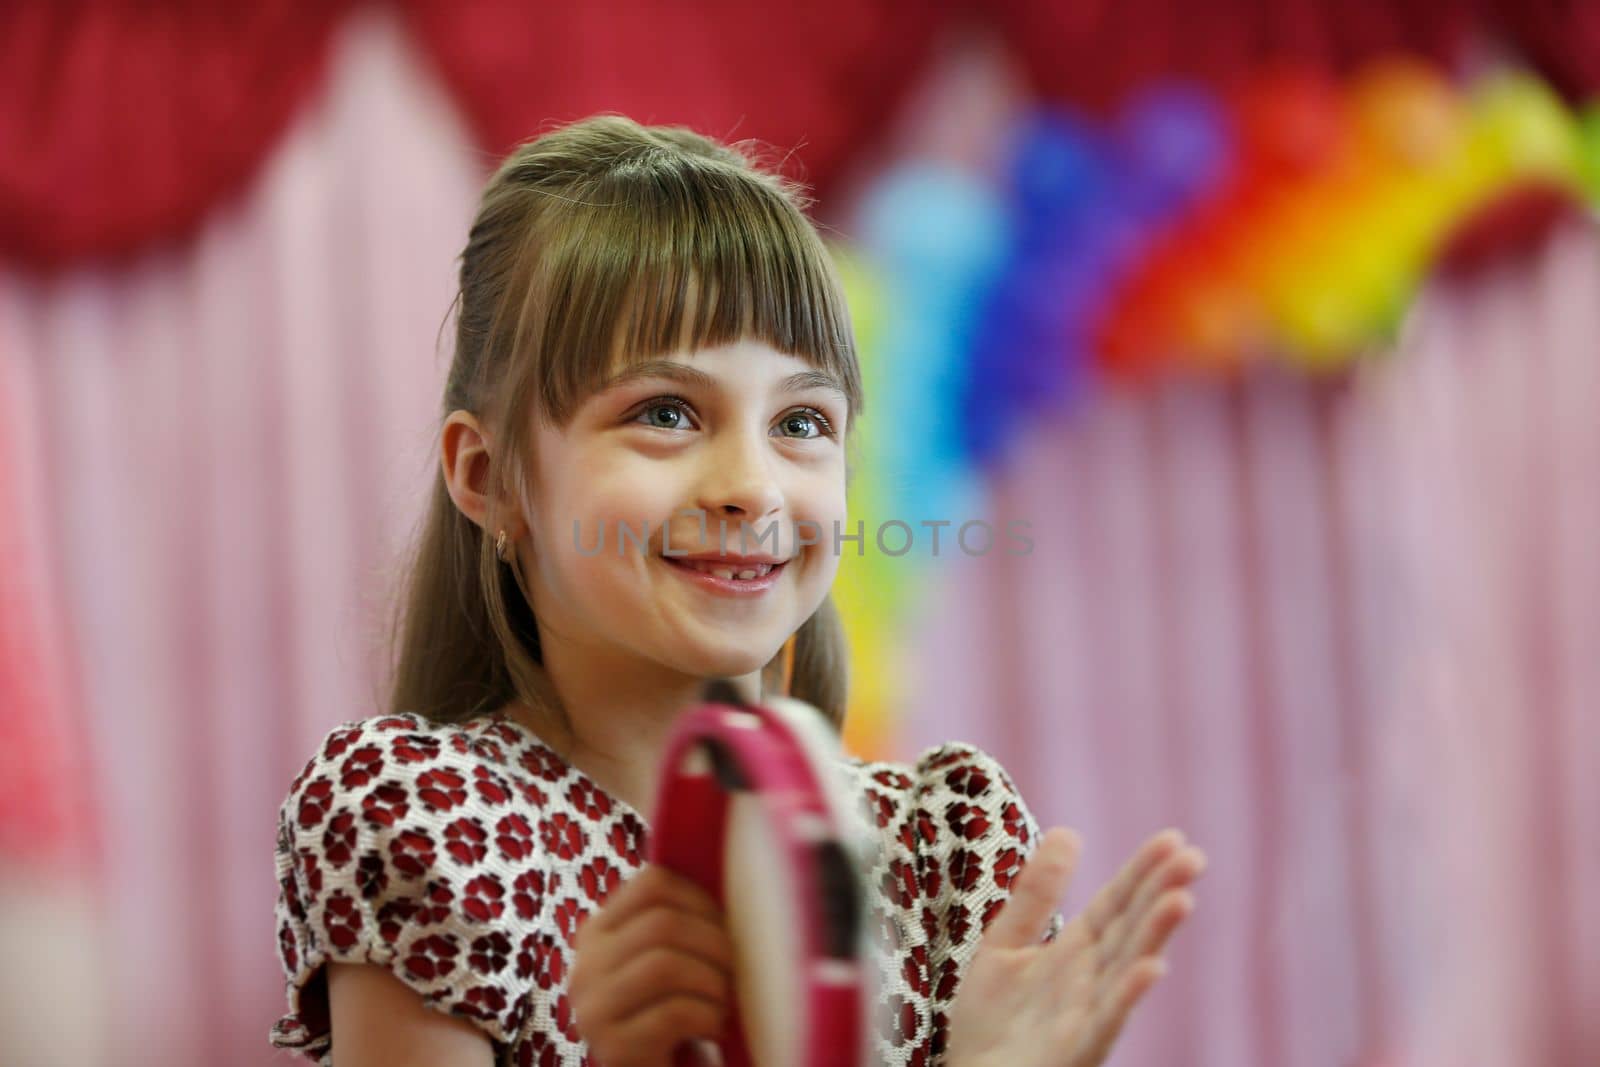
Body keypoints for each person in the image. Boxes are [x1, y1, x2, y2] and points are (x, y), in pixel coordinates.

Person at [268, 114, 1206, 1067]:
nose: (753, 487)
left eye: (802, 420)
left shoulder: (945, 852)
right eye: (666, 413)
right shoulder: (431, 821)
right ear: (489, 476)